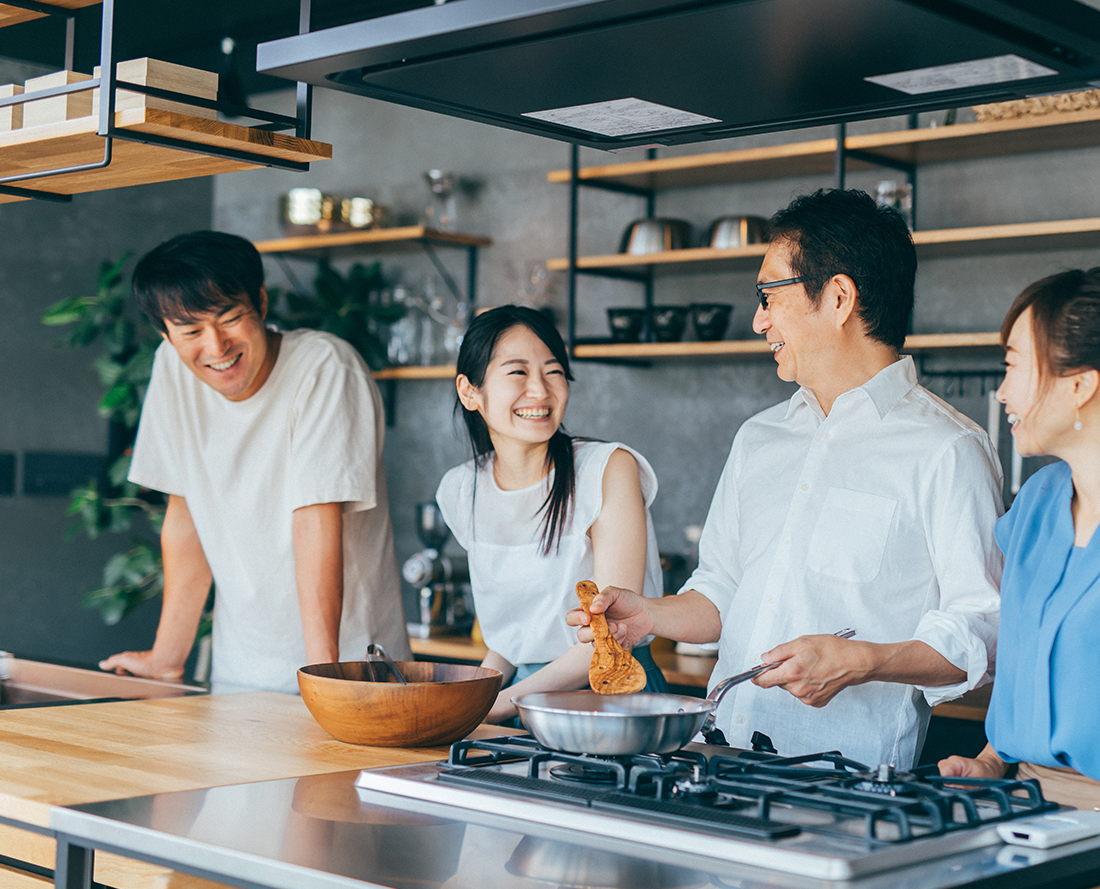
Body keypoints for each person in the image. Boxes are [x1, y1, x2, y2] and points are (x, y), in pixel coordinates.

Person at [569, 189, 1003, 769]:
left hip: (845, 785)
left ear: (839, 297)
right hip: (718, 762)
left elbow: (984, 630)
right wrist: (651, 615)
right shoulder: (758, 438)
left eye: (770, 295)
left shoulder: (949, 450)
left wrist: (864, 661)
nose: (758, 321)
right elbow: (721, 591)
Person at [99, 231, 411, 694]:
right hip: (240, 674)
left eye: (229, 318)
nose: (216, 346)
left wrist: (321, 678)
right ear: (166, 335)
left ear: (260, 303)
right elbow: (185, 517)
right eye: (190, 332)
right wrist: (168, 657)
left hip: (349, 676)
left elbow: (316, 521)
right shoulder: (172, 368)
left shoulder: (326, 368)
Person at [435, 305, 667, 724]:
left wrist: (490, 708)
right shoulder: (461, 489)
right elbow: (513, 639)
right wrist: (468, 698)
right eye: (518, 372)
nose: (540, 391)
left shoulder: (607, 468)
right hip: (519, 700)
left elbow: (608, 639)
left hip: (612, 695)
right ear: (470, 392)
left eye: (553, 371)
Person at [939, 269, 1100, 809]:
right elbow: (1030, 666)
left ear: (1080, 385)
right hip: (1024, 809)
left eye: (1013, 366)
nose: (1001, 391)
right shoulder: (1036, 504)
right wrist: (990, 760)